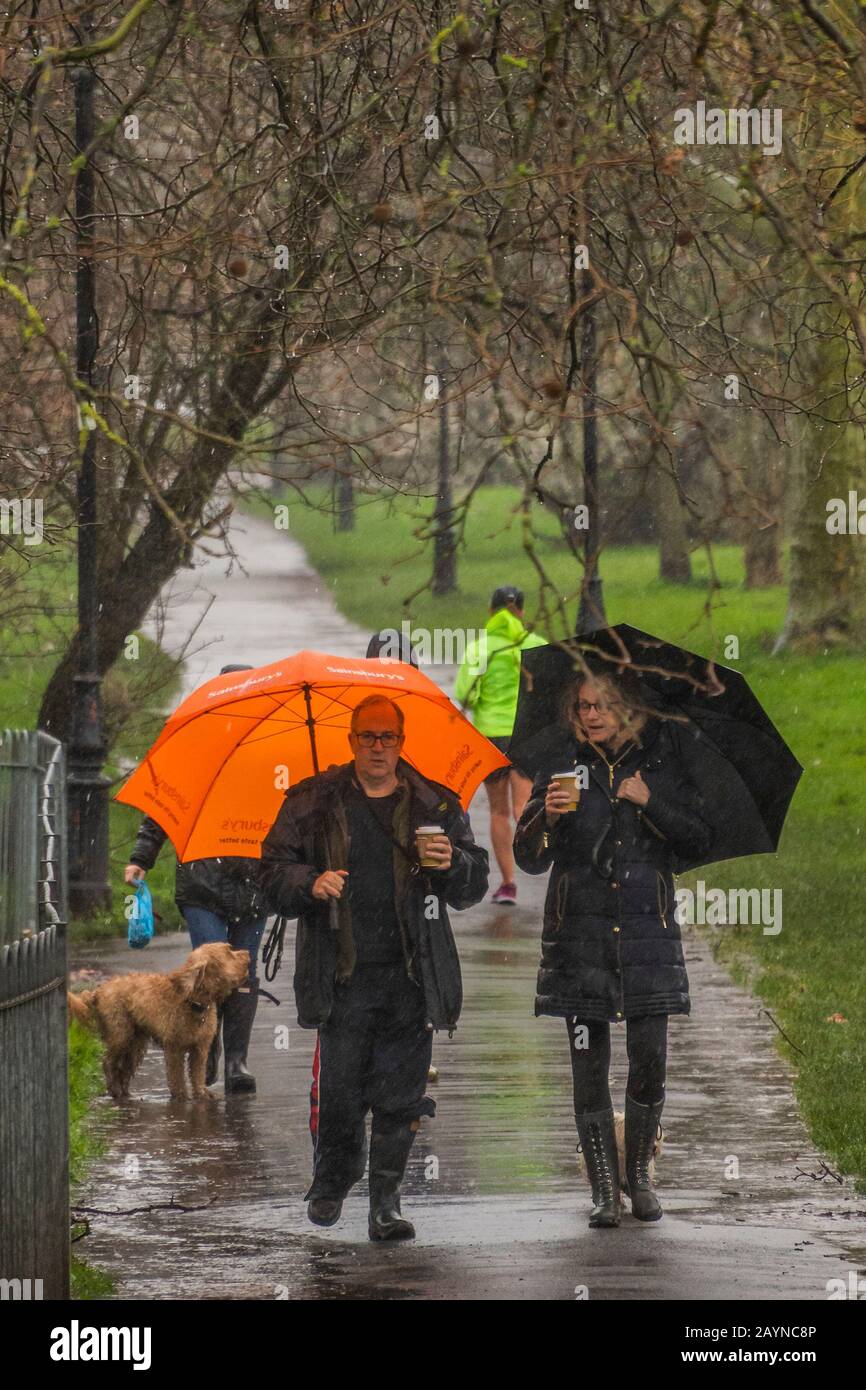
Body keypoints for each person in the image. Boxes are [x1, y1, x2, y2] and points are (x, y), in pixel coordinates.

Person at [258, 693, 488, 1240]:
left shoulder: (436, 805)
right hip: (342, 975)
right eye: (368, 736)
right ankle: (333, 1181)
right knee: (340, 1092)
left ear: (402, 743)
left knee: (400, 1095)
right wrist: (308, 882)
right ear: (351, 740)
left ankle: (385, 1204)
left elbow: (474, 884)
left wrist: (453, 863)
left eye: (388, 737)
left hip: (412, 974)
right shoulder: (313, 801)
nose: (378, 747)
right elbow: (271, 870)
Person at [513, 668, 712, 1228]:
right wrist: (545, 819)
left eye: (601, 705)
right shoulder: (559, 768)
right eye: (581, 706)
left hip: (648, 936)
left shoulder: (661, 764)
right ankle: (604, 1190)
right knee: (588, 1064)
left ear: (627, 710)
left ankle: (640, 1177)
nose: (591, 714)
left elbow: (698, 839)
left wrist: (650, 802)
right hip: (580, 937)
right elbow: (529, 857)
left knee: (649, 1060)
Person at [123, 664, 269, 1094]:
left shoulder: (271, 755)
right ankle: (207, 1052)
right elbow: (163, 806)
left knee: (244, 972)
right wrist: (141, 858)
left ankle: (237, 1060)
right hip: (202, 883)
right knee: (206, 972)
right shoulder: (195, 748)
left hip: (254, 886)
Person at [454, 585, 546, 905]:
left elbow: (466, 692)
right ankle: (537, 857)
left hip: (491, 737)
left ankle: (508, 882)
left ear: (491, 611)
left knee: (499, 811)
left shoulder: (481, 649)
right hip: (526, 735)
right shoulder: (536, 646)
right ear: (521, 611)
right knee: (524, 807)